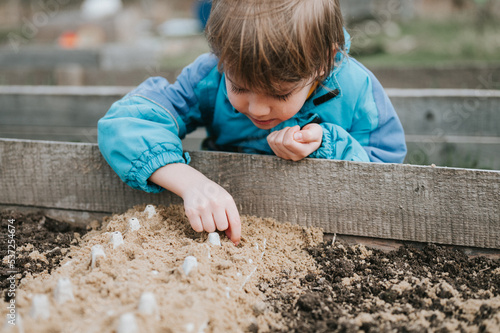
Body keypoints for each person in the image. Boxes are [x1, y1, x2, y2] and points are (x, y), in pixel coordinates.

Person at [98, 0, 407, 246]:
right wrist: (191, 183)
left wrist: (328, 144)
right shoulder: (209, 76)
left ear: (323, 64)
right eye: (240, 87)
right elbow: (126, 123)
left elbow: (385, 172)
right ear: (221, 57)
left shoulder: (356, 91)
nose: (258, 109)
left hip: (328, 232)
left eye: (280, 93)